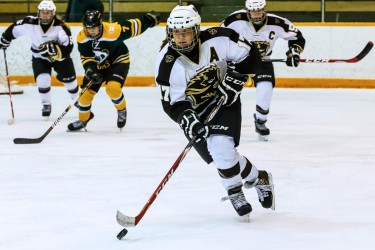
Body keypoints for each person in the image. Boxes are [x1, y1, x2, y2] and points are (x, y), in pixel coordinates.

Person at [155, 5, 275, 218]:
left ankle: (234, 191)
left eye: (186, 32)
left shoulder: (219, 38)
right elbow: (172, 103)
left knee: (221, 148)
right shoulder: (166, 62)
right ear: (169, 33)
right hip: (194, 109)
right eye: (176, 33)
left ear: (197, 29)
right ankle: (259, 177)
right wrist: (188, 119)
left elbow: (252, 55)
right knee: (221, 157)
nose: (181, 38)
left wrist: (236, 77)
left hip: (224, 98)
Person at [221, 0, 306, 141]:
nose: (256, 14)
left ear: (264, 9)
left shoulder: (277, 22)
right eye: (253, 11)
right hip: (237, 60)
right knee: (227, 92)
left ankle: (260, 120)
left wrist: (294, 52)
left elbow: (297, 37)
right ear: (247, 11)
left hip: (262, 61)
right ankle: (220, 121)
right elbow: (220, 35)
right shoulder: (235, 19)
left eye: (259, 10)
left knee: (265, 88)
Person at [67, 9, 160, 131]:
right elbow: (86, 57)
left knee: (113, 88)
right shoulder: (82, 37)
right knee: (84, 96)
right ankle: (84, 120)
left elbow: (133, 26)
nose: (91, 31)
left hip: (118, 61)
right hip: (98, 66)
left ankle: (121, 110)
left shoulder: (113, 30)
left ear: (100, 24)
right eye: (88, 27)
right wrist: (91, 71)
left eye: (94, 27)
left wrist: (149, 20)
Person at [0, 0, 79, 119]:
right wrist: (5, 39)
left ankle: (78, 101)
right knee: (43, 80)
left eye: (48, 12)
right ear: (38, 12)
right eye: (43, 12)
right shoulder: (30, 22)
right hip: (39, 57)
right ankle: (46, 105)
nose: (45, 15)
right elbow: (14, 28)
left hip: (60, 59)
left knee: (70, 82)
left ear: (53, 13)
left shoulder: (61, 27)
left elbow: (68, 47)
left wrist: (57, 52)